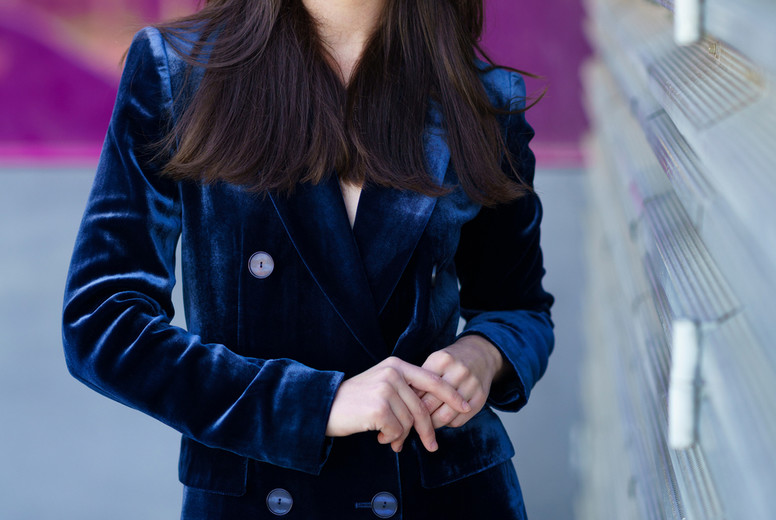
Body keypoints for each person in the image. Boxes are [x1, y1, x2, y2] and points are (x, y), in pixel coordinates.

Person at [62, 0, 554, 518]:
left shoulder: (478, 97)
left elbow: (519, 308)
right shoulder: (180, 71)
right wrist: (313, 405)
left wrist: (483, 354)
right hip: (259, 495)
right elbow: (102, 320)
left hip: (442, 492)